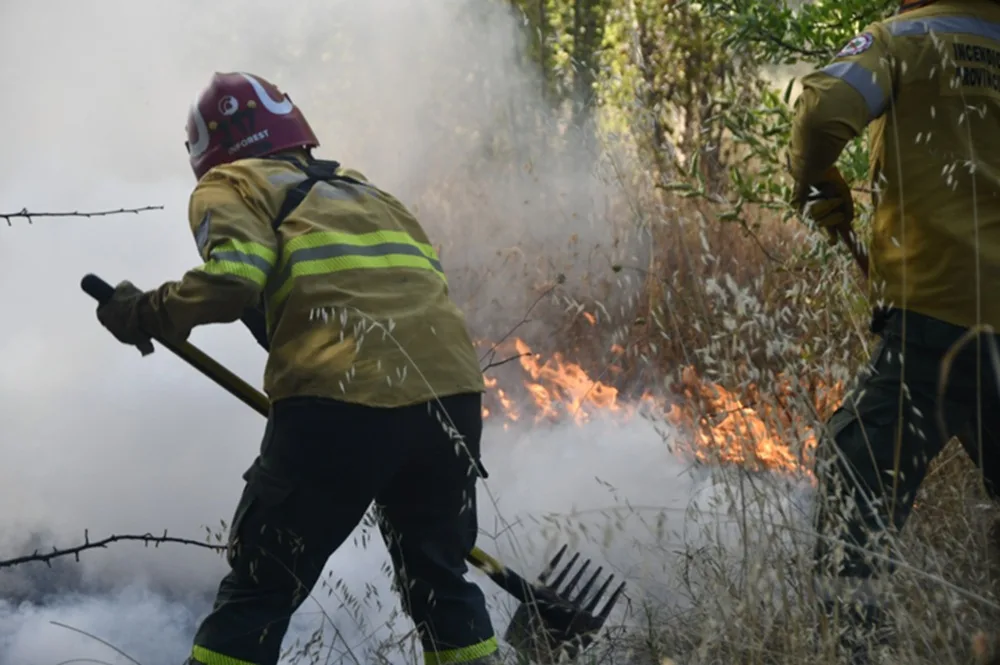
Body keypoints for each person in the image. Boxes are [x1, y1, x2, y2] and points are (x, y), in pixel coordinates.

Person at [94, 71, 502, 665]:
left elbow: (234, 282)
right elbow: (396, 298)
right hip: (453, 402)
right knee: (440, 584)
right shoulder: (372, 195)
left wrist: (144, 312)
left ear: (207, 148)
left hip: (339, 402)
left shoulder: (231, 183)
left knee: (262, 584)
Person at [788, 0, 1000, 661]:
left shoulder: (903, 39)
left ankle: (860, 650)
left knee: (854, 479)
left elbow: (822, 112)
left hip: (936, 326)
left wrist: (820, 181)